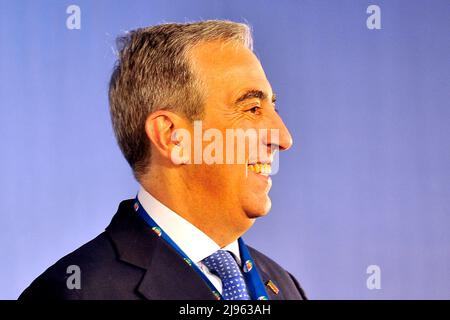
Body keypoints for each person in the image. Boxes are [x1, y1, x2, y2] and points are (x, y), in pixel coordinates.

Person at [19, 20, 307, 300]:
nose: (284, 138)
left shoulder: (285, 285)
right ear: (171, 136)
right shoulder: (74, 293)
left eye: (274, 107)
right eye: (253, 109)